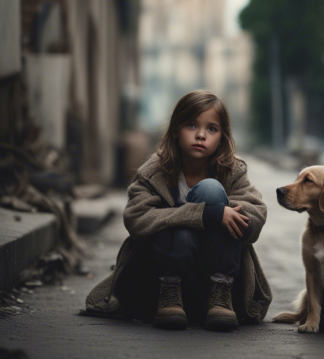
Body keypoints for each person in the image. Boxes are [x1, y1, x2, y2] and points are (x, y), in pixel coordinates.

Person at [85, 91, 272, 331]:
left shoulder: (231, 170)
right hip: (162, 283)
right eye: (191, 125)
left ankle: (220, 291)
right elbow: (137, 218)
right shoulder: (154, 171)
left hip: (216, 282)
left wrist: (225, 211)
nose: (201, 135)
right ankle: (170, 291)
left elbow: (256, 213)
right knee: (182, 228)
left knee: (212, 190)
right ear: (175, 129)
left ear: (222, 137)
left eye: (212, 129)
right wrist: (207, 214)